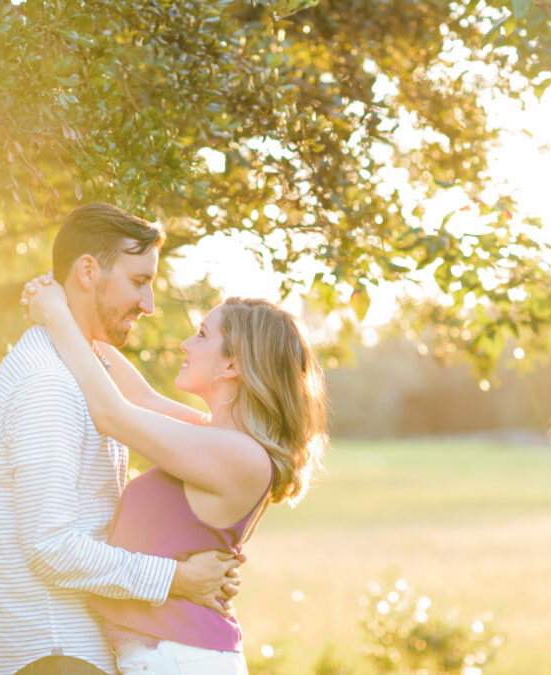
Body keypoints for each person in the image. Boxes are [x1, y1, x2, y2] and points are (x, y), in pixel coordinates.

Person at [0, 203, 243, 675]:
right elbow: (51, 547)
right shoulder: (47, 384)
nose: (149, 304)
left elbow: (156, 411)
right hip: (56, 651)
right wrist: (178, 579)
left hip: (75, 650)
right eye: (139, 281)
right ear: (87, 271)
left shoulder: (84, 369)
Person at [19, 265, 328, 674]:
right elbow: (140, 398)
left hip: (182, 660)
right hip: (164, 657)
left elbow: (114, 415)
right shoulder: (213, 439)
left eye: (202, 335)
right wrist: (77, 314)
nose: (185, 343)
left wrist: (57, 316)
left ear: (232, 365)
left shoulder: (240, 457)